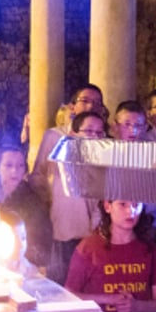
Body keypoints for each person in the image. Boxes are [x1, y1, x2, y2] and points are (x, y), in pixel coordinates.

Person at [66, 200, 156, 312]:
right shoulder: (89, 248)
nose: (130, 211)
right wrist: (109, 299)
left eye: (136, 204)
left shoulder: (148, 248)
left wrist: (137, 306)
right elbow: (69, 296)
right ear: (108, 206)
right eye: (123, 204)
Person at [46, 110, 106, 284]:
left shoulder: (103, 165)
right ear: (73, 134)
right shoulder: (61, 164)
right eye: (88, 131)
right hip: (66, 239)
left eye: (98, 132)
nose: (93, 137)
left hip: (94, 241)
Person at [0, 144, 52, 271]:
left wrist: (32, 263)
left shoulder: (31, 199)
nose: (15, 171)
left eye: (20, 166)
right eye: (8, 165)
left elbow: (40, 236)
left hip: (22, 264)